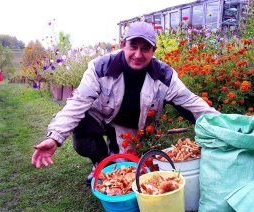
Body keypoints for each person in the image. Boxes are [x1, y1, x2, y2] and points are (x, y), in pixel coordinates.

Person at [31, 21, 217, 184]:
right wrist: (54, 137)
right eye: (133, 46)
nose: (138, 54)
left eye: (145, 49)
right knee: (82, 123)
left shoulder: (164, 75)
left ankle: (116, 155)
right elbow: (77, 102)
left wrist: (226, 124)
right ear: (123, 45)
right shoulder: (100, 67)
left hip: (135, 127)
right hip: (102, 117)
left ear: (153, 51)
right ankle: (101, 164)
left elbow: (191, 103)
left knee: (133, 170)